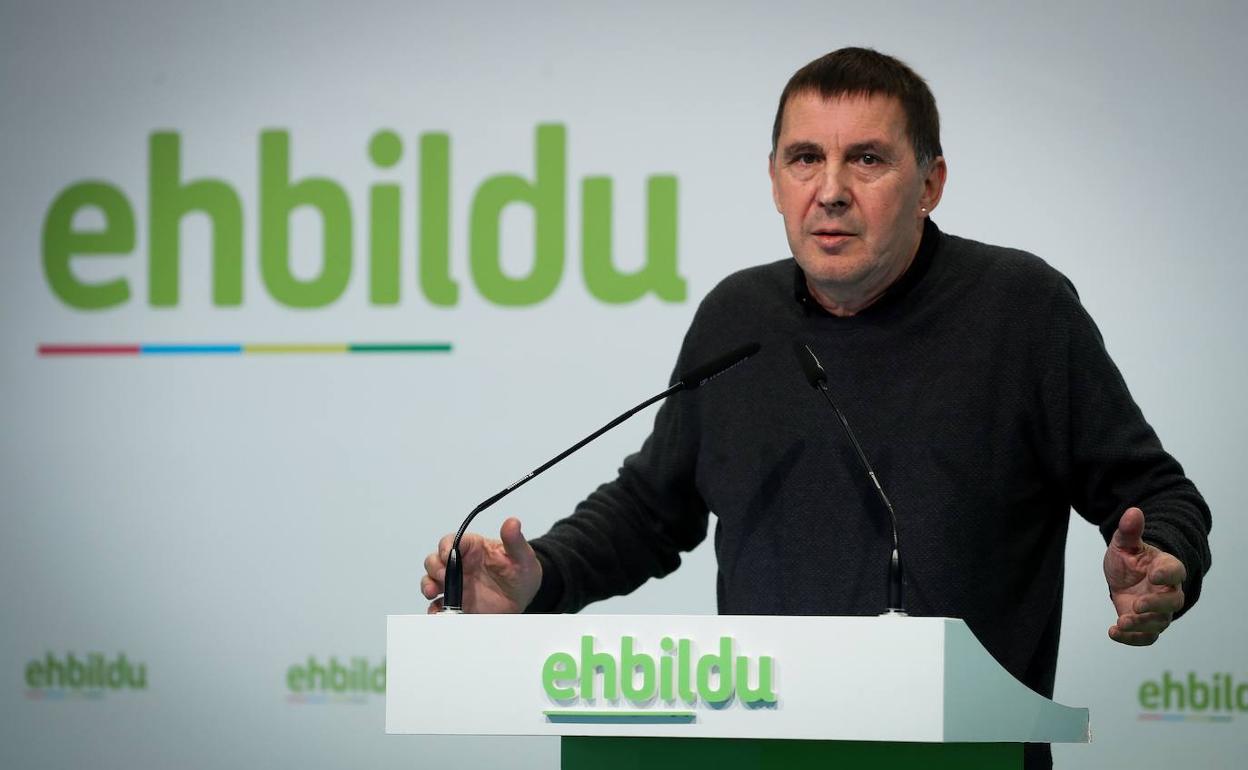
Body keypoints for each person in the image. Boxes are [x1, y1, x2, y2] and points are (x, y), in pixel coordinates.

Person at [421, 48, 1211, 769]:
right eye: (805, 159)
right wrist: (542, 575)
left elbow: (1157, 494)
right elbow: (651, 509)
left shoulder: (1020, 310)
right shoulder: (738, 318)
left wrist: (1161, 558)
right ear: (774, 180)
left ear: (930, 184)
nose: (830, 190)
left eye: (867, 159)